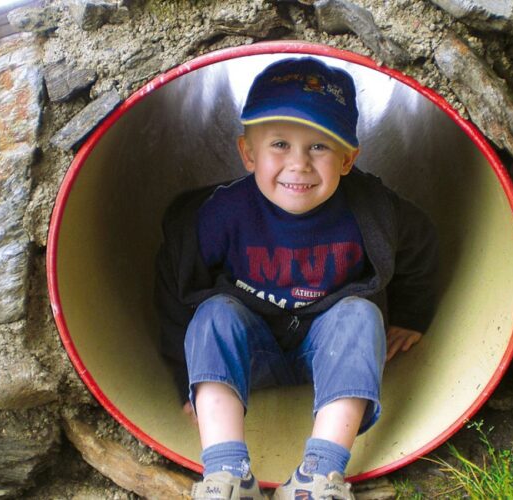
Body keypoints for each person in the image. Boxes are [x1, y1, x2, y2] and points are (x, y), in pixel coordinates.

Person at [154, 57, 438, 500]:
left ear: (348, 159)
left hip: (327, 352)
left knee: (361, 314)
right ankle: (227, 473)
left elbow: (421, 247)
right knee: (213, 313)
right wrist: (184, 379)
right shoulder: (220, 215)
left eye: (320, 147)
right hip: (248, 355)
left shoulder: (374, 210)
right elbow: (175, 287)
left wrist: (413, 316)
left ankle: (319, 476)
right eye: (280, 144)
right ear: (248, 152)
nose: (299, 164)